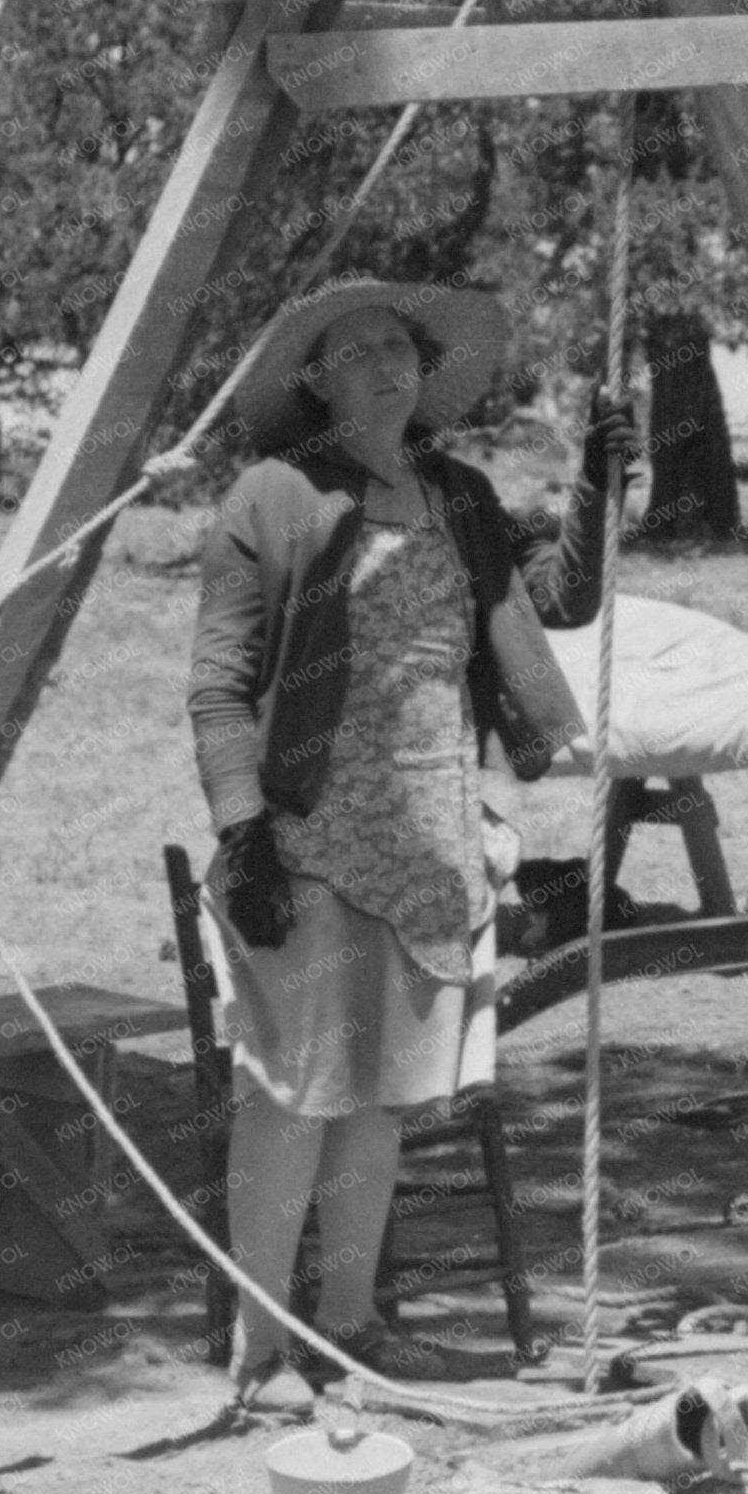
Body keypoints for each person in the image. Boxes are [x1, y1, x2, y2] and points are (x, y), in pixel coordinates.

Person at [186, 278, 630, 1402]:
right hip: (308, 839)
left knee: (379, 1093)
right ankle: (264, 1348)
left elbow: (559, 601)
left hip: (433, 842)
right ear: (315, 380)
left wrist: (602, 481)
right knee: (292, 1095)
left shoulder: (458, 494)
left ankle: (353, 1323)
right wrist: (244, 838)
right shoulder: (273, 497)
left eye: (401, 345)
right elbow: (217, 690)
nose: (386, 361)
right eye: (356, 347)